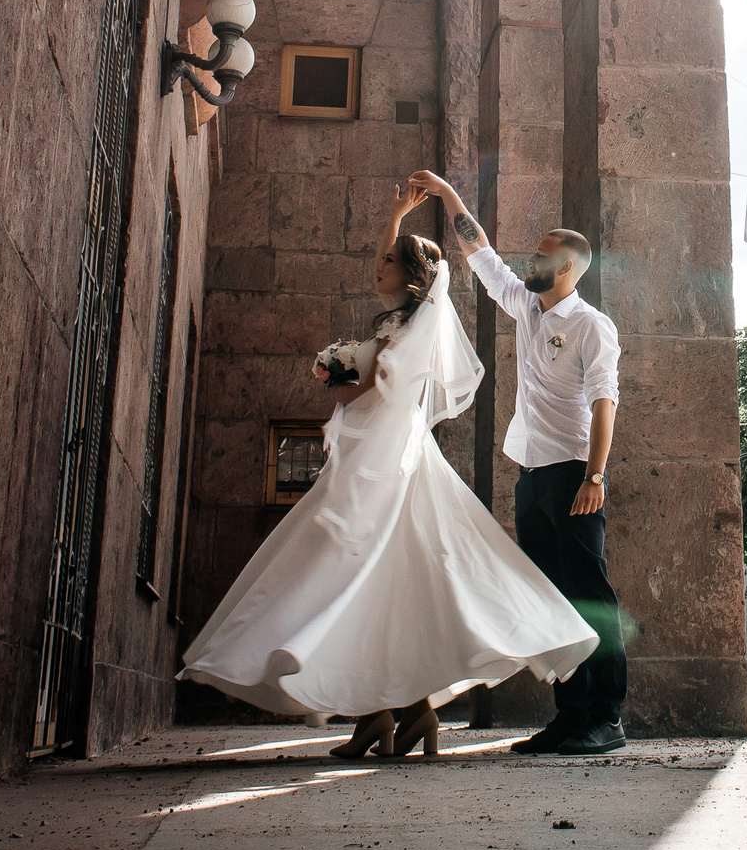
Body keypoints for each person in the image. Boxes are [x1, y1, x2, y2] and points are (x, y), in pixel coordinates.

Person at [178, 184, 596, 757]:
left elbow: (382, 384)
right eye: (380, 259)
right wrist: (399, 213)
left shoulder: (415, 325)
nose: (378, 267)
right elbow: (462, 264)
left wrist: (339, 380)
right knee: (384, 579)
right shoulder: (409, 318)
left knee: (357, 572)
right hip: (377, 455)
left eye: (390, 262)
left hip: (388, 463)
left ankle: (386, 711)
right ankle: (400, 713)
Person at [407, 170, 628, 757]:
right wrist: (447, 194)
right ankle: (569, 717)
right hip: (531, 476)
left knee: (589, 594)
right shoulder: (527, 306)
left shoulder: (591, 326)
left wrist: (594, 476)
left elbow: (605, 402)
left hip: (574, 474)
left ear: (568, 269)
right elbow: (480, 253)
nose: (530, 261)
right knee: (549, 598)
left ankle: (606, 718)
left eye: (541, 256)